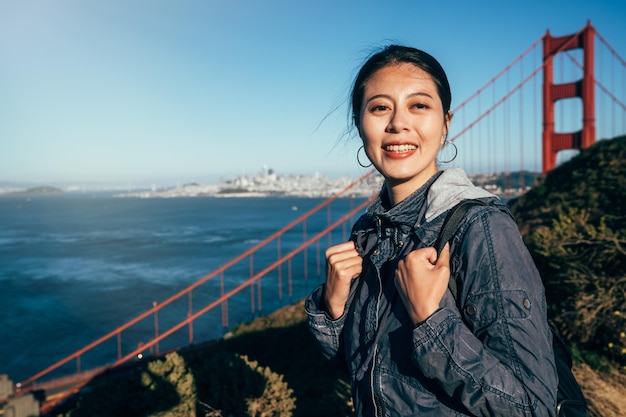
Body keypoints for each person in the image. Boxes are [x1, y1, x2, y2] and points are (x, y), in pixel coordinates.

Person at [305, 45, 558, 416]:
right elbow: (367, 373)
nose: (397, 124)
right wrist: (334, 307)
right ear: (360, 125)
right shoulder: (368, 232)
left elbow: (532, 408)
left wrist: (431, 320)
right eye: (379, 108)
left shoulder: (481, 227)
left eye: (419, 105)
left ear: (446, 124)